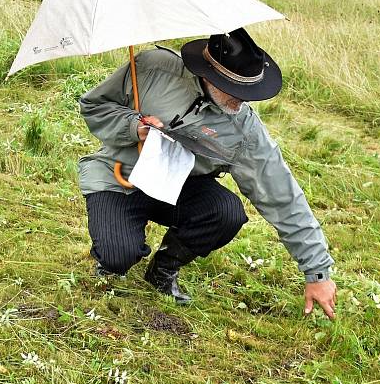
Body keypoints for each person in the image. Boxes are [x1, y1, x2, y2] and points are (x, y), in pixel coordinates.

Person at [78, 28, 337, 318]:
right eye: (235, 91)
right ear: (210, 74)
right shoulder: (152, 69)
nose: (242, 102)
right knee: (117, 257)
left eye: (248, 93)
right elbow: (94, 106)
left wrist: (317, 273)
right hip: (120, 178)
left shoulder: (243, 131)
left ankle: (163, 269)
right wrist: (133, 126)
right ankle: (112, 253)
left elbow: (282, 195)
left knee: (227, 212)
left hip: (179, 189)